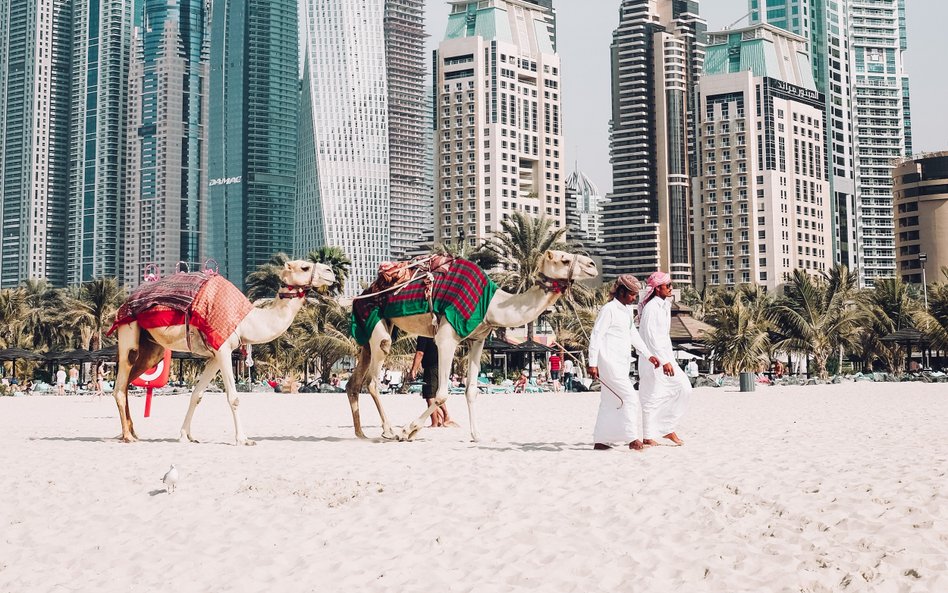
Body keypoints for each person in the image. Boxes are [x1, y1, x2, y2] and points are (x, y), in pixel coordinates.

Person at [587, 275, 662, 451]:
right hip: (608, 363)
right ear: (621, 291)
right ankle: (633, 439)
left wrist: (648, 354)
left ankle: (601, 440)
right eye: (632, 294)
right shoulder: (609, 309)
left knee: (609, 401)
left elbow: (632, 335)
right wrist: (592, 363)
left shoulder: (626, 311)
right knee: (630, 397)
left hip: (621, 363)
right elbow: (596, 336)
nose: (634, 298)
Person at [637, 271, 693, 447]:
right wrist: (663, 360)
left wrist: (668, 359)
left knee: (684, 388)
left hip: (667, 356)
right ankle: (648, 435)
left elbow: (662, 336)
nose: (671, 288)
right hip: (653, 359)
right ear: (657, 288)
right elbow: (649, 336)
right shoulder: (651, 307)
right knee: (650, 396)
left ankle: (667, 427)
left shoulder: (665, 306)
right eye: (668, 285)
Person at [409, 336, 457, 428]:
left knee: (430, 396)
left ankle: (435, 422)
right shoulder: (438, 333)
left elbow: (420, 353)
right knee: (437, 394)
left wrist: (414, 369)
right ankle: (443, 417)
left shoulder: (423, 335)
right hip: (442, 365)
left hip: (431, 367)